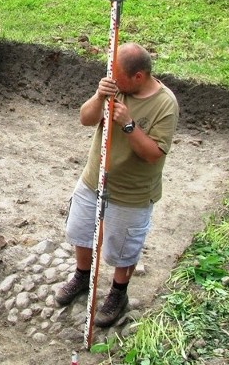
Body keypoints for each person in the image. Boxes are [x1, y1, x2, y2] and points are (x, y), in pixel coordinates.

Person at [54, 42, 179, 327]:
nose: (113, 79)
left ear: (139, 76)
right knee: (80, 231)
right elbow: (86, 119)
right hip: (93, 179)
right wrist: (99, 97)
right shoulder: (114, 86)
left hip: (131, 192)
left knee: (123, 248)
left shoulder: (165, 104)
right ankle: (82, 276)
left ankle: (118, 294)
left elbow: (152, 155)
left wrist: (129, 125)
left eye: (118, 75)